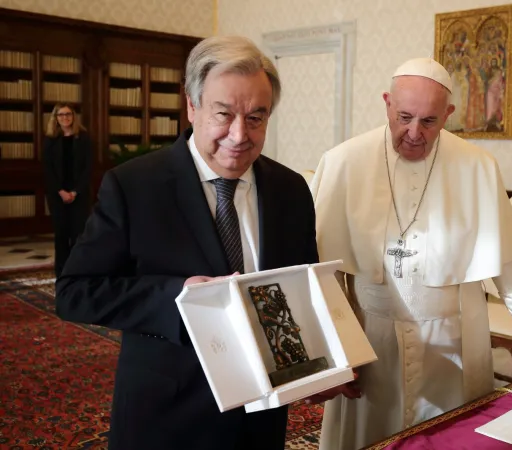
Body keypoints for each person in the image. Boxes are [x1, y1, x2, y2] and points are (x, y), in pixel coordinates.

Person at [310, 57, 512, 450]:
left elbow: (510, 268)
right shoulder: (343, 162)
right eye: (404, 117)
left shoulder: (477, 167)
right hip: (370, 336)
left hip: (455, 334)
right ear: (387, 103)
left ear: (449, 114)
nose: (414, 133)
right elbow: (323, 275)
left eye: (429, 121)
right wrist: (336, 354)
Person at [55, 36, 320, 450]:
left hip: (261, 419)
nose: (239, 135)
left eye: (256, 117)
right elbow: (74, 293)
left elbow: (302, 290)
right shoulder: (134, 186)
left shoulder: (291, 189)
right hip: (166, 416)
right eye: (224, 114)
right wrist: (177, 297)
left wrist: (321, 363)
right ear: (191, 105)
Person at [43, 103, 92, 277]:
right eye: (61, 115)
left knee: (78, 233)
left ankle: (77, 269)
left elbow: (88, 168)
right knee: (61, 234)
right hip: (57, 195)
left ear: (73, 116)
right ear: (56, 118)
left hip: (79, 194)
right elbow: (48, 170)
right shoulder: (50, 139)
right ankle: (61, 272)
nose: (65, 118)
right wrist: (61, 191)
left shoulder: (83, 137)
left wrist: (75, 192)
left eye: (68, 114)